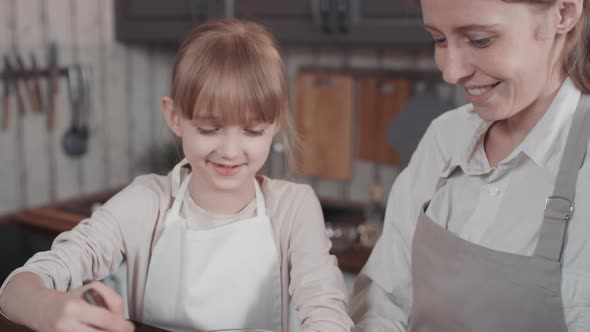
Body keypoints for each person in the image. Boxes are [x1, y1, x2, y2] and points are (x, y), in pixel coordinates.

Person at [0, 19, 353, 332]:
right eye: (209, 128)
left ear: (274, 124)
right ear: (174, 116)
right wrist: (46, 308)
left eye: (252, 131)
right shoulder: (146, 202)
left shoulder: (293, 209)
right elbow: (16, 288)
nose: (230, 150)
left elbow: (325, 308)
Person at [350, 0, 590, 331]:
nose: (451, 72)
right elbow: (385, 298)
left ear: (562, 13)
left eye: (480, 40)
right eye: (439, 40)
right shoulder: (445, 137)